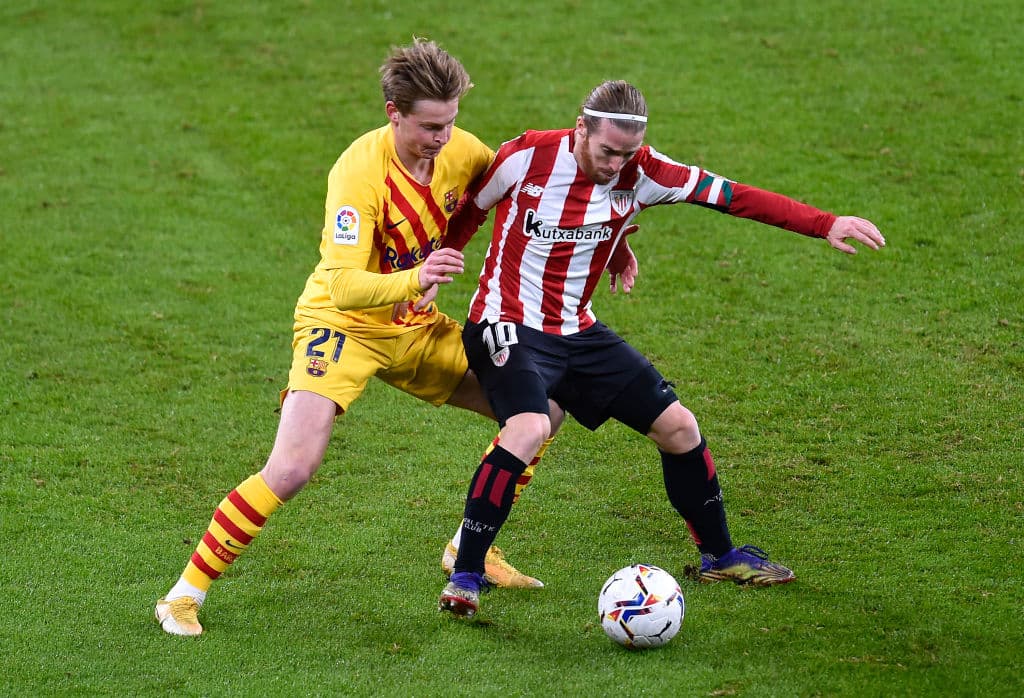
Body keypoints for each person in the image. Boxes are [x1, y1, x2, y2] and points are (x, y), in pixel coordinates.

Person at [155, 41, 639, 636]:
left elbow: (535, 190)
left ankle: (469, 546)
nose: (443, 138)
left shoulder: (462, 151)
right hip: (343, 328)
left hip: (414, 329)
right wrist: (417, 278)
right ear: (394, 113)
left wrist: (615, 244)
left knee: (541, 410)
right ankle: (183, 595)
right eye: (430, 127)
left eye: (451, 122)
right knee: (293, 467)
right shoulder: (358, 172)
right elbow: (341, 285)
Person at [437, 79, 886, 617]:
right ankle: (466, 573)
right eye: (607, 151)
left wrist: (825, 224)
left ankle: (720, 556)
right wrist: (431, 273)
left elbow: (733, 196)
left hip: (577, 329)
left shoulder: (644, 171)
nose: (616, 165)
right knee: (531, 426)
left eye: (627, 154)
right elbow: (470, 210)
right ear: (580, 129)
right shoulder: (526, 156)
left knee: (679, 427)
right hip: (504, 322)